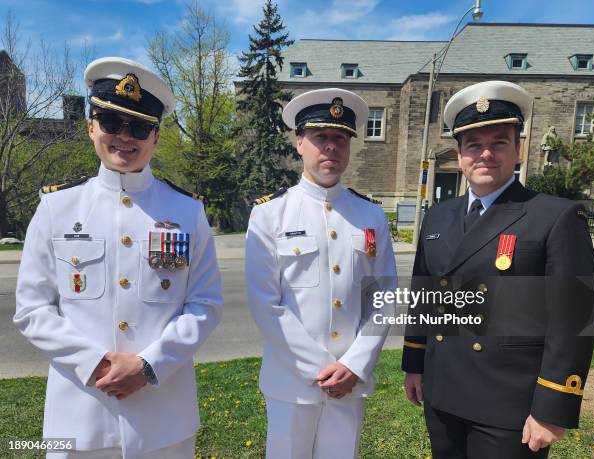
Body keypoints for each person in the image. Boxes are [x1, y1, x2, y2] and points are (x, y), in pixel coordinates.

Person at [14, 57, 223, 458]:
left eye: (140, 127)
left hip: (164, 421)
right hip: (79, 417)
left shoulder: (187, 212)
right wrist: (94, 362)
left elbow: (205, 305)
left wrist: (148, 365)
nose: (125, 137)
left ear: (156, 137)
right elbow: (32, 309)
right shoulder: (57, 208)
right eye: (111, 123)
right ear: (91, 126)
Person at [402, 81, 594, 458]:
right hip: (443, 394)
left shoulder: (554, 217)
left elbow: (572, 319)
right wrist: (414, 364)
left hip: (511, 405)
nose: (486, 154)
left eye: (499, 142)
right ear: (459, 155)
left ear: (518, 149)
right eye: (474, 145)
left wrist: (553, 406)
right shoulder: (440, 215)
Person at [245, 88, 397, 458]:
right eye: (321, 137)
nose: (331, 146)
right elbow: (266, 304)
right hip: (291, 384)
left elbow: (383, 299)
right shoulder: (270, 214)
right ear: (299, 143)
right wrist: (320, 369)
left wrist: (354, 365)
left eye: (340, 138)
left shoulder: (371, 216)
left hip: (350, 383)